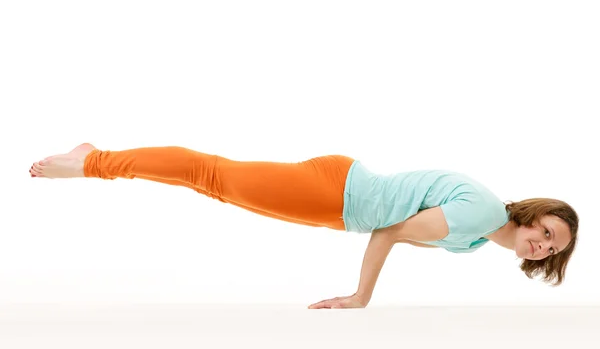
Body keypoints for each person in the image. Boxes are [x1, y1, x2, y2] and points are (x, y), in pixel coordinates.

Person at [29, 143, 579, 309]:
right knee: (209, 173)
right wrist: (361, 296)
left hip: (337, 198)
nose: (542, 244)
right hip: (336, 195)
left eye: (552, 249)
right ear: (535, 214)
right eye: (549, 231)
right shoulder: (481, 215)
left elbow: (394, 227)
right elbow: (388, 233)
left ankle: (96, 161)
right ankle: (92, 161)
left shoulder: (478, 239)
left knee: (213, 182)